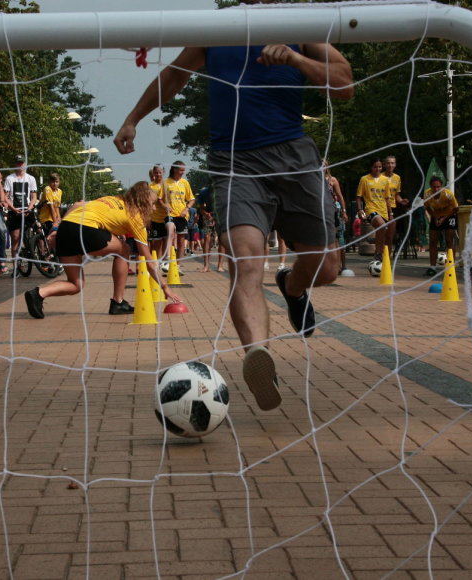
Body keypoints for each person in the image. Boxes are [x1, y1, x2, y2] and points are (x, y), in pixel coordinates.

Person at [113, 11, 354, 411]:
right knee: (244, 262)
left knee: (326, 266)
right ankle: (259, 357)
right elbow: (174, 76)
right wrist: (133, 118)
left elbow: (345, 84)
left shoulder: (299, 26)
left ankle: (292, 287)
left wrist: (296, 60)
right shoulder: (216, 30)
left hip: (294, 156)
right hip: (233, 162)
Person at [23, 181, 181, 319]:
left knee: (76, 284)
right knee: (124, 250)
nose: (154, 209)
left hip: (66, 228)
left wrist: (58, 228)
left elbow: (78, 204)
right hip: (86, 229)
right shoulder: (136, 218)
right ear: (143, 203)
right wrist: (165, 287)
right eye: (152, 204)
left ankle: (38, 294)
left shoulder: (111, 199)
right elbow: (149, 261)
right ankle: (118, 302)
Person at [4, 155, 38, 269]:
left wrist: (30, 207)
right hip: (15, 211)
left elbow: (33, 196)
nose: (20, 165)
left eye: (22, 163)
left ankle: (41, 252)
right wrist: (13, 208)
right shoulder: (10, 178)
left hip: (27, 209)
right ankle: (15, 266)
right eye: (18, 163)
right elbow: (6, 196)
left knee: (38, 228)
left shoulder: (31, 179)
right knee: (15, 238)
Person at [422, 176, 459, 276]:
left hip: (449, 215)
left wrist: (444, 218)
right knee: (433, 240)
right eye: (434, 187)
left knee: (449, 239)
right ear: (431, 186)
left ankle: (451, 265)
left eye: (438, 187)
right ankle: (432, 267)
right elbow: (427, 207)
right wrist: (434, 218)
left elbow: (455, 208)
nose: (436, 189)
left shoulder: (448, 194)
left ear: (441, 186)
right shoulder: (427, 194)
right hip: (436, 215)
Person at [356, 157, 391, 260]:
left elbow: (387, 197)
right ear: (371, 167)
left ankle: (378, 252)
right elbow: (358, 196)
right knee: (381, 225)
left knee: (383, 229)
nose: (378, 169)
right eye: (375, 167)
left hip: (383, 210)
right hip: (371, 209)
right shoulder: (364, 179)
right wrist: (359, 210)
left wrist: (390, 213)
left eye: (380, 167)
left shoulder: (385, 180)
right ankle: (378, 251)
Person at [164, 161, 195, 262]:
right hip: (170, 214)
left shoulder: (185, 183)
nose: (183, 172)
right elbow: (159, 198)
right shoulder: (166, 182)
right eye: (181, 170)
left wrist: (186, 209)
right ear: (174, 169)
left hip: (182, 215)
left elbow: (192, 199)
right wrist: (165, 205)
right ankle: (167, 259)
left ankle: (178, 264)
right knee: (171, 232)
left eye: (184, 170)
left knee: (181, 240)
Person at [146, 164, 174, 265]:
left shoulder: (168, 184)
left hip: (168, 217)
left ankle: (166, 262)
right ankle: (157, 263)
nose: (158, 174)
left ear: (163, 172)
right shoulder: (150, 186)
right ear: (153, 173)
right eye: (156, 172)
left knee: (168, 240)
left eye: (160, 172)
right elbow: (148, 202)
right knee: (156, 243)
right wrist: (148, 218)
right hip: (155, 218)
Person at [383, 155, 409, 254]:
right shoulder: (380, 177)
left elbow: (396, 195)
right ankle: (379, 255)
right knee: (382, 233)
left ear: (395, 165)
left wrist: (401, 201)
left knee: (390, 235)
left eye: (392, 163)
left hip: (393, 208)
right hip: (382, 207)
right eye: (388, 163)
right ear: (385, 165)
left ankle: (387, 258)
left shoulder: (397, 178)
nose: (390, 165)